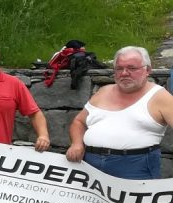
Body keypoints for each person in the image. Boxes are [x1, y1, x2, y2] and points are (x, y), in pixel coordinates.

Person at [66, 45, 173, 179]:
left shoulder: (160, 97)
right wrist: (77, 143)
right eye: (119, 68)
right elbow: (79, 122)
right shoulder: (104, 91)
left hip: (135, 167)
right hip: (89, 164)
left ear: (148, 70)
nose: (124, 73)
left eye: (132, 68)